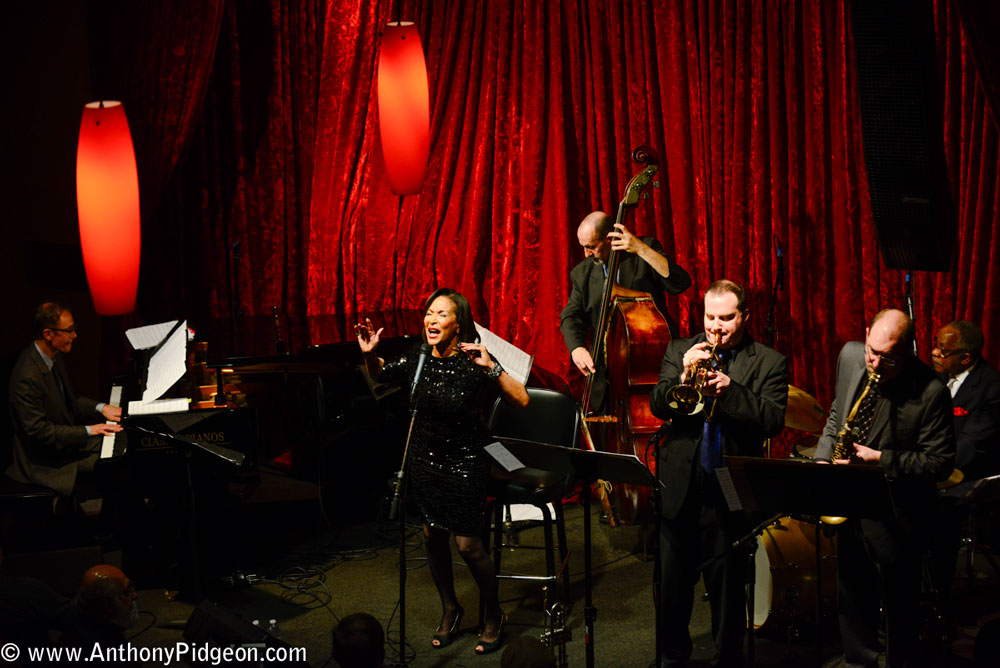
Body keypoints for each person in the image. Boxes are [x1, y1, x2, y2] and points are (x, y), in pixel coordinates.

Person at [355, 288, 529, 655]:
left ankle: (494, 613)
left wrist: (492, 366)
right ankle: (451, 606)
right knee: (432, 538)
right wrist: (370, 357)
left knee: (468, 545)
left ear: (458, 324)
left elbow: (522, 400)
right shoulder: (419, 357)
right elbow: (384, 376)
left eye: (441, 315)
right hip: (424, 458)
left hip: (467, 459)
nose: (431, 321)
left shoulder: (473, 360)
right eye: (429, 313)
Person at [649, 279, 787, 667]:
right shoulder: (680, 348)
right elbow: (659, 403)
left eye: (726, 318)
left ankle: (729, 659)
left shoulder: (768, 361)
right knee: (672, 587)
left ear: (743, 316)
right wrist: (681, 377)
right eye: (710, 317)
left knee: (727, 591)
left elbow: (773, 420)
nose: (716, 327)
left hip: (729, 489)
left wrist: (731, 390)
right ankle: (671, 658)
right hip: (680, 486)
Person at [814, 309, 955, 668]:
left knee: (899, 606)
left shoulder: (932, 391)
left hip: (898, 513)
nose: (875, 363)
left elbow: (939, 463)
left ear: (908, 349)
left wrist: (881, 458)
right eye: (871, 352)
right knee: (852, 593)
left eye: (887, 357)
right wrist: (822, 460)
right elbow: (836, 415)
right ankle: (857, 660)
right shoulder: (850, 356)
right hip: (851, 501)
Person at [561, 211, 691, 413]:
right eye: (584, 247)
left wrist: (640, 248)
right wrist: (576, 348)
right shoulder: (582, 273)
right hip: (606, 382)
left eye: (591, 247)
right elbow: (570, 316)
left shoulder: (644, 252)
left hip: (650, 372)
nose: (586, 254)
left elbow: (680, 283)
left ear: (610, 237)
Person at [927, 321, 1000, 631]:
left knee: (940, 515)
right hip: (936, 467)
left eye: (943, 350)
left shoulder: (991, 388)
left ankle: (938, 603)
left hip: (970, 476)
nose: (934, 353)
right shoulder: (937, 377)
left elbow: (971, 447)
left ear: (966, 358)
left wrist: (930, 472)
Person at [6, 302, 121, 497]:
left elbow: (72, 400)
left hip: (61, 446)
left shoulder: (52, 356)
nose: (74, 336)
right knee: (116, 471)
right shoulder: (27, 376)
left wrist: (102, 408)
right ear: (48, 334)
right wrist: (90, 430)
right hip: (43, 464)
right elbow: (40, 433)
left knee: (120, 449)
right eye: (69, 331)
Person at [59, 564, 139, 665]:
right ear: (108, 604)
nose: (135, 595)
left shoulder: (76, 629)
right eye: (126, 592)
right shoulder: (108, 652)